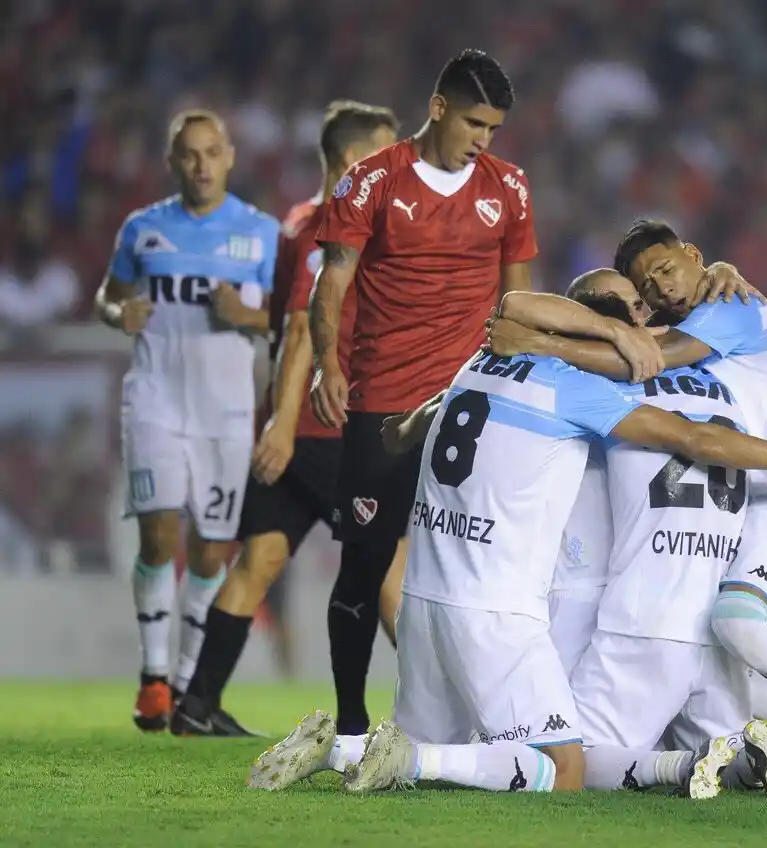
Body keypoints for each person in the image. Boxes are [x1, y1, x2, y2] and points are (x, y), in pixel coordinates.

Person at [248, 270, 767, 795]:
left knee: (449, 746)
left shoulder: (482, 360)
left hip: (426, 600)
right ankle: (409, 757)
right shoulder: (584, 390)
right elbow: (696, 439)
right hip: (504, 609)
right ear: (601, 324)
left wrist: (401, 431)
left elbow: (430, 406)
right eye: (632, 307)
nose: (646, 314)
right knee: (565, 765)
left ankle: (339, 751)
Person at [487, 222, 767, 791]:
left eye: (667, 271)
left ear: (694, 254)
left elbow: (645, 358)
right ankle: (753, 749)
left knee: (734, 624)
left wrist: (540, 346)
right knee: (718, 645)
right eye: (646, 287)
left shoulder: (729, 308)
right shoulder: (719, 299)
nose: (661, 291)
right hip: (749, 496)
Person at [307, 49, 536, 739]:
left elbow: (518, 298)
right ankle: (350, 727)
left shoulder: (510, 187)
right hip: (382, 403)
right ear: (437, 107)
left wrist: (516, 384)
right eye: (473, 122)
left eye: (493, 129)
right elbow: (333, 283)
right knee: (366, 564)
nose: (483, 140)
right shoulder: (370, 182)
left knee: (479, 570)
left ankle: (475, 722)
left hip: (470, 408)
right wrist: (327, 363)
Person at [170, 101, 400, 736]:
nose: (399, 162)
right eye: (387, 151)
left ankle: (197, 705)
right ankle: (439, 708)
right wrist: (285, 422)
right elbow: (301, 326)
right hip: (326, 427)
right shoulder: (332, 226)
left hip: (294, 427)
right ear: (355, 161)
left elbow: (276, 317)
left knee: (259, 561)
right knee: (387, 558)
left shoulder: (298, 221)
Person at [95, 110, 278, 731]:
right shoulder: (143, 230)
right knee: (158, 537)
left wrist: (246, 316)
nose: (201, 165)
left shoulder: (260, 234)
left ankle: (185, 686)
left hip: (225, 415)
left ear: (229, 157)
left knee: (210, 553)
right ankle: (152, 680)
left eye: (211, 153)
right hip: (154, 403)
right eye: (188, 155)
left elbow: (290, 320)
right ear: (173, 163)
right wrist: (116, 312)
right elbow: (108, 294)